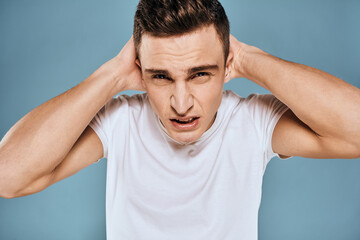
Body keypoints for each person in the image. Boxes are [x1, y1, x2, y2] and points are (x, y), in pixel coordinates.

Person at [0, 0, 359, 239]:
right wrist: (110, 77)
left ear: (225, 67)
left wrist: (251, 60)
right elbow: (8, 177)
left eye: (201, 74)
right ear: (139, 70)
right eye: (161, 76)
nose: (182, 103)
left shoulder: (252, 122)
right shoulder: (121, 123)